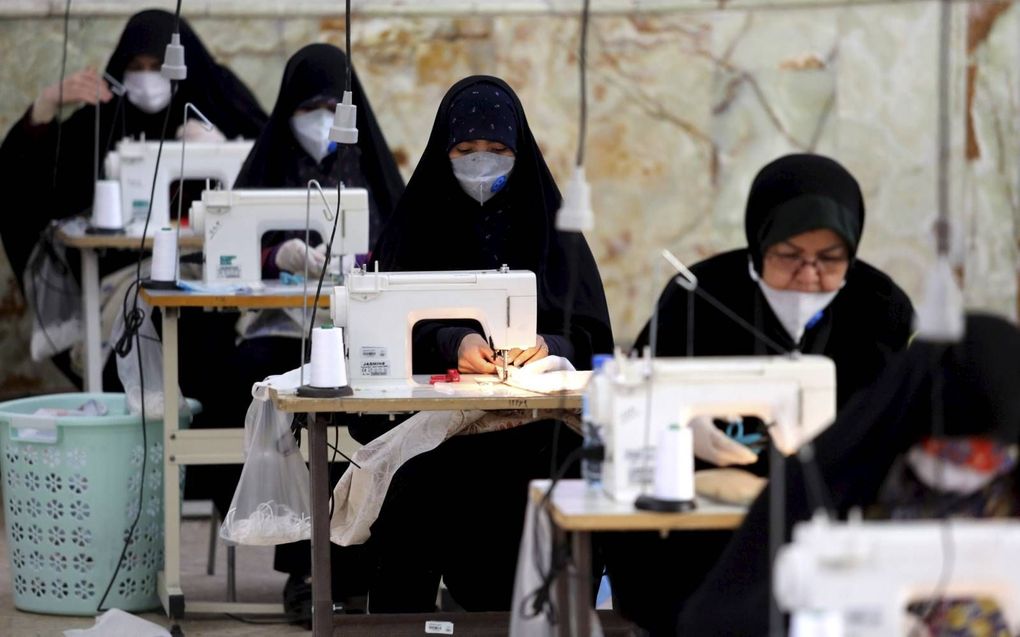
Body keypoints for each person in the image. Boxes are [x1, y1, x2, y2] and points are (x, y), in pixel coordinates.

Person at [601, 153, 915, 635]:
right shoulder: (696, 296)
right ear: (759, 241)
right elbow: (634, 395)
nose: (809, 275)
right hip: (700, 520)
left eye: (830, 259)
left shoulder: (880, 308)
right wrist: (681, 428)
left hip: (829, 512)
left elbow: (889, 420)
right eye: (789, 256)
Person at [363, 75, 614, 612]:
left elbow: (591, 333)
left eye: (498, 150)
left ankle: (551, 611)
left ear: (519, 152)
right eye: (466, 150)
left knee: (576, 471)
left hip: (542, 429)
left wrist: (549, 344)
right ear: (443, 150)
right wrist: (450, 340)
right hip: (443, 430)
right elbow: (380, 328)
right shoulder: (416, 225)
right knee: (416, 486)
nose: (482, 163)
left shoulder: (552, 227)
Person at [679, 313, 1020, 635]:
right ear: (911, 420)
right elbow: (722, 615)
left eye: (991, 455)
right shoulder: (831, 477)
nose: (968, 467)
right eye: (951, 450)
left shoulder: (1010, 487)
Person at [220, 43, 404, 620]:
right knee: (273, 388)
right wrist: (281, 253)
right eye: (310, 105)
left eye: (333, 105)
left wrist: (364, 259)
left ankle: (361, 563)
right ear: (288, 108)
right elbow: (234, 243)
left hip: (355, 326)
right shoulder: (270, 162)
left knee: (375, 403)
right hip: (279, 323)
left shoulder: (367, 165)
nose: (323, 118)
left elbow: (400, 247)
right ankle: (303, 568)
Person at [0, 9, 267, 388]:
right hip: (126, 273)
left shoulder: (216, 102)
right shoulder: (103, 120)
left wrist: (223, 148)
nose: (148, 77)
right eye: (137, 66)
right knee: (144, 315)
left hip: (218, 271)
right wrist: (45, 106)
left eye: (159, 65)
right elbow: (23, 184)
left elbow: (274, 168)